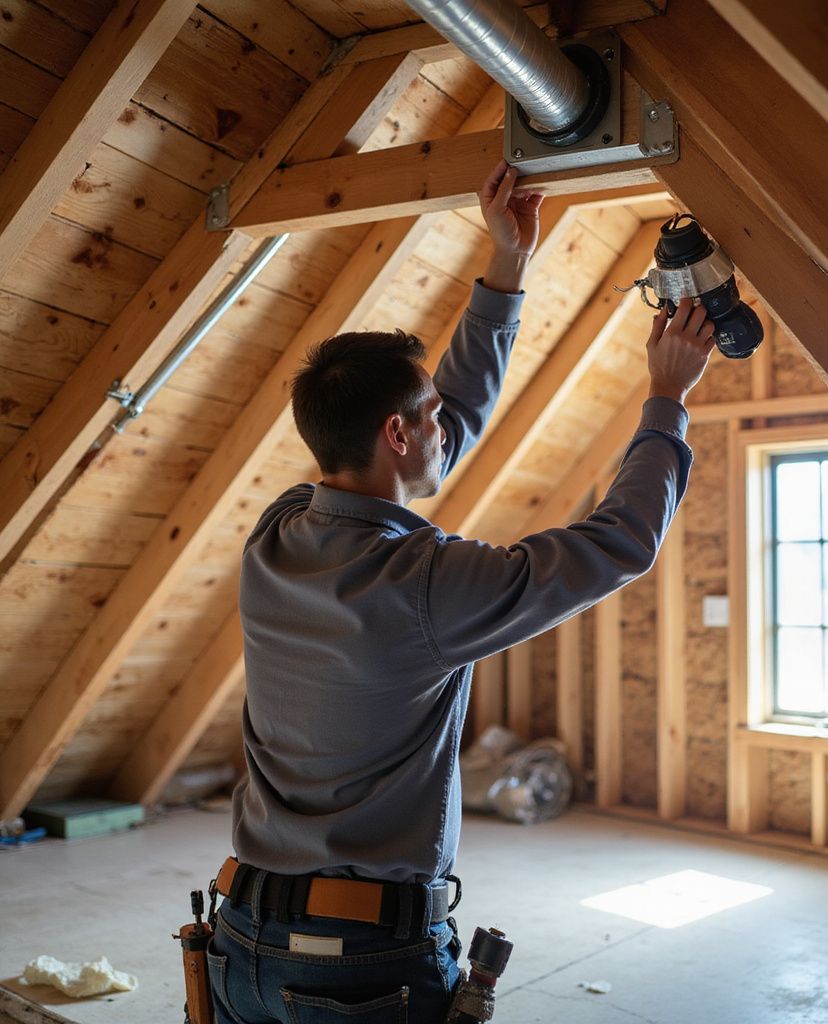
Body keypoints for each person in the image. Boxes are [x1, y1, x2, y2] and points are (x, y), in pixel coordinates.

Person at [206, 160, 716, 1024]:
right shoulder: (427, 585)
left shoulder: (278, 529)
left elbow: (441, 436)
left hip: (241, 944)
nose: (449, 422)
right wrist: (665, 401)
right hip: (363, 966)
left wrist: (508, 265)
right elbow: (615, 545)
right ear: (398, 433)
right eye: (430, 412)